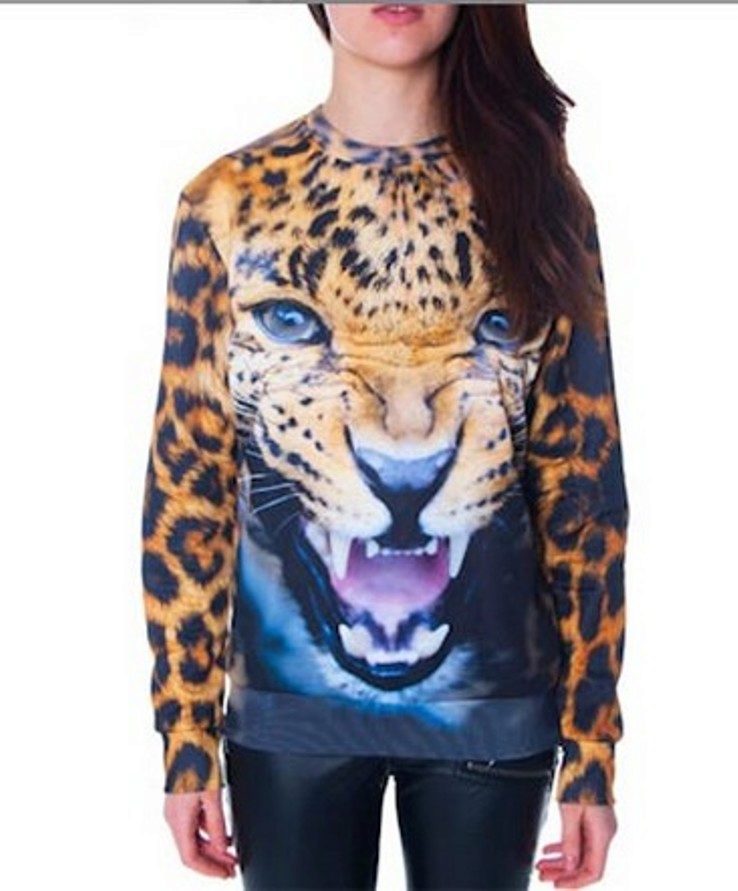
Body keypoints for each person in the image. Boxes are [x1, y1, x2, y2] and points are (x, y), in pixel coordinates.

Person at [140, 4, 630, 889]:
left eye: (486, 328)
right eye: (294, 320)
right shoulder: (226, 200)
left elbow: (583, 486)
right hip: (286, 720)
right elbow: (190, 478)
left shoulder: (542, 196)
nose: (405, 437)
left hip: (494, 713)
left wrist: (592, 744)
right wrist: (185, 732)